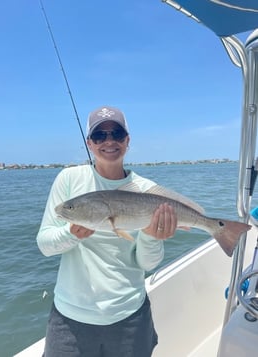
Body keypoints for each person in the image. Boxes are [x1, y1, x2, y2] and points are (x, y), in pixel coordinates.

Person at [37, 105, 177, 357]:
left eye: (117, 134)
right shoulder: (68, 179)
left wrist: (151, 237)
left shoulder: (147, 191)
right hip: (70, 319)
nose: (109, 141)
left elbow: (147, 262)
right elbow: (45, 245)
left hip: (130, 316)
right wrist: (71, 234)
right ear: (89, 143)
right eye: (100, 136)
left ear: (127, 140)